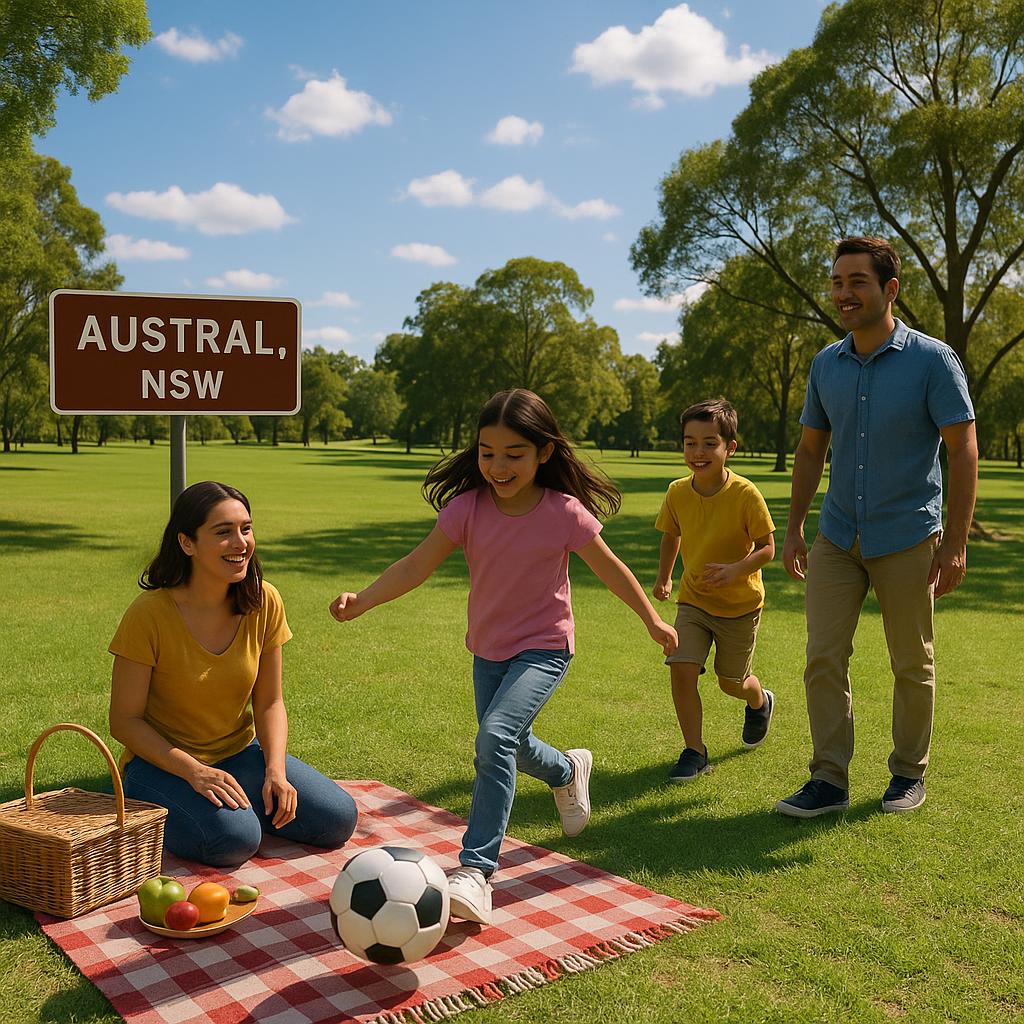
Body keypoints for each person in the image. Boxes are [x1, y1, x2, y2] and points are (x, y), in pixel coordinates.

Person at [329, 388, 677, 926]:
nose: (498, 466)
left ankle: (476, 871)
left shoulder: (563, 512)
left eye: (514, 454)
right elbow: (415, 565)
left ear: (544, 452)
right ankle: (567, 769)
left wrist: (651, 620)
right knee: (510, 743)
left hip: (545, 647)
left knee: (494, 738)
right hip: (488, 650)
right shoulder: (467, 509)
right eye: (487, 452)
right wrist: (364, 600)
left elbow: (611, 568)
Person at [777, 236, 977, 818]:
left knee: (911, 661)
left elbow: (962, 450)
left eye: (857, 282)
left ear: (890, 289)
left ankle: (908, 773)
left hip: (908, 535)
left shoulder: (933, 360)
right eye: (837, 282)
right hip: (838, 535)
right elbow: (810, 450)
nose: (844, 293)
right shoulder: (825, 364)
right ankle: (828, 780)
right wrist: (795, 528)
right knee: (822, 658)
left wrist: (955, 543)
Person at [109, 481, 358, 867]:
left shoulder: (264, 600)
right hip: (162, 764)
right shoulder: (149, 614)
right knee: (234, 840)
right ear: (187, 543)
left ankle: (240, 808)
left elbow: (270, 701)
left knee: (337, 818)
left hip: (239, 753)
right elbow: (124, 721)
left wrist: (275, 770)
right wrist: (194, 772)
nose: (241, 543)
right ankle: (191, 810)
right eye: (223, 532)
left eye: (246, 528)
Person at [653, 399, 777, 782]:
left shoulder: (745, 494)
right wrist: (665, 577)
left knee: (731, 683)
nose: (698, 452)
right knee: (681, 667)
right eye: (690, 443)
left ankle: (759, 700)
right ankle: (695, 751)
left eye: (709, 443)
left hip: (740, 606)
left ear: (730, 448)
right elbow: (671, 535)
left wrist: (736, 570)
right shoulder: (677, 492)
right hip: (694, 600)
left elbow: (767, 548)